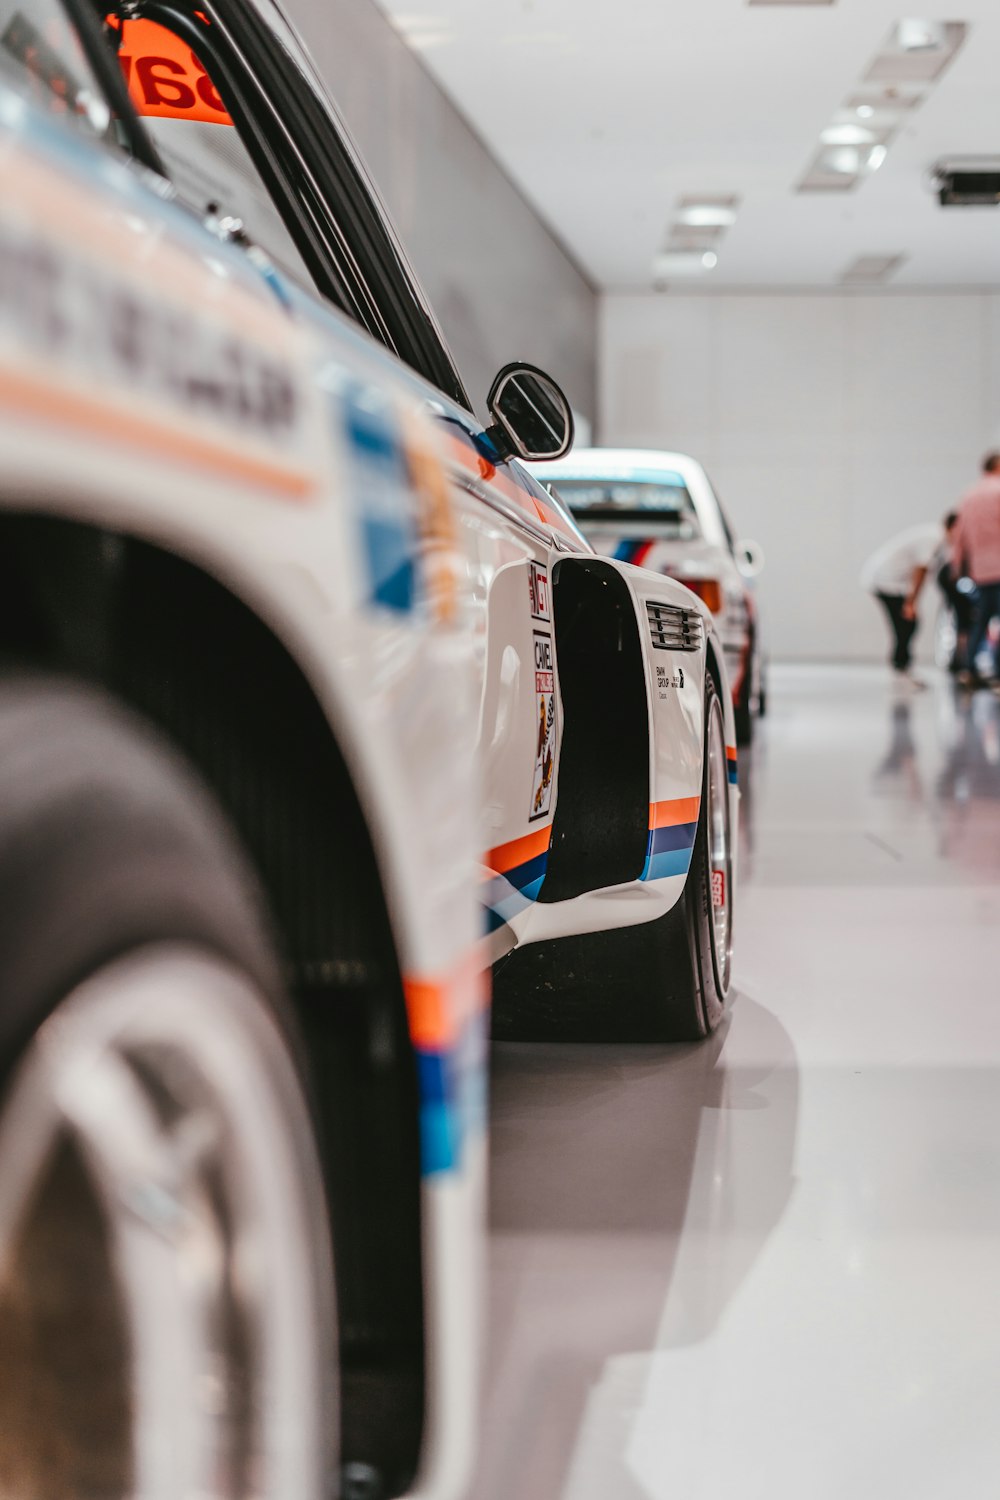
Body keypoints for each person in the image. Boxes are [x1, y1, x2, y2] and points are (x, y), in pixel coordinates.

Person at [861, 520, 945, 689]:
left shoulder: (936, 538)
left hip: (891, 583)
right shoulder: (934, 538)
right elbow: (920, 570)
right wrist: (911, 603)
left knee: (907, 626)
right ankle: (900, 672)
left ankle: (902, 669)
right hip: (884, 582)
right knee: (906, 624)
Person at [950, 453, 1000, 686]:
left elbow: (959, 535)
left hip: (981, 570)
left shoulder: (969, 495)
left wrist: (957, 566)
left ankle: (968, 668)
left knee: (982, 618)